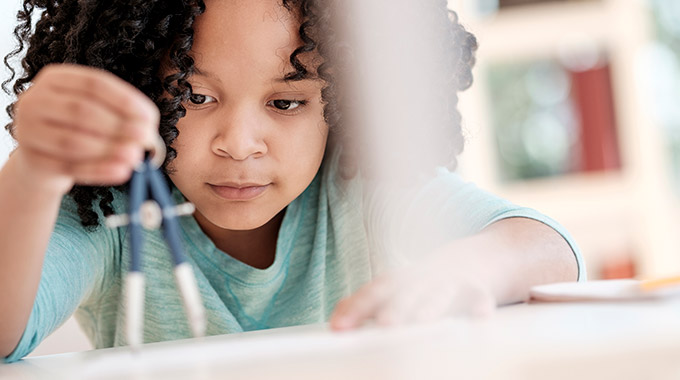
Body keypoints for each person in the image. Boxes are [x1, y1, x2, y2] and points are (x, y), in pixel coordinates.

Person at [0, 0, 585, 362]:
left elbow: (545, 247)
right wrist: (33, 170)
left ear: (346, 103)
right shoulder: (113, 213)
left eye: (285, 102)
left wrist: (464, 268)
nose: (238, 141)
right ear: (139, 81)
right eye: (195, 96)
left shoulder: (362, 190)